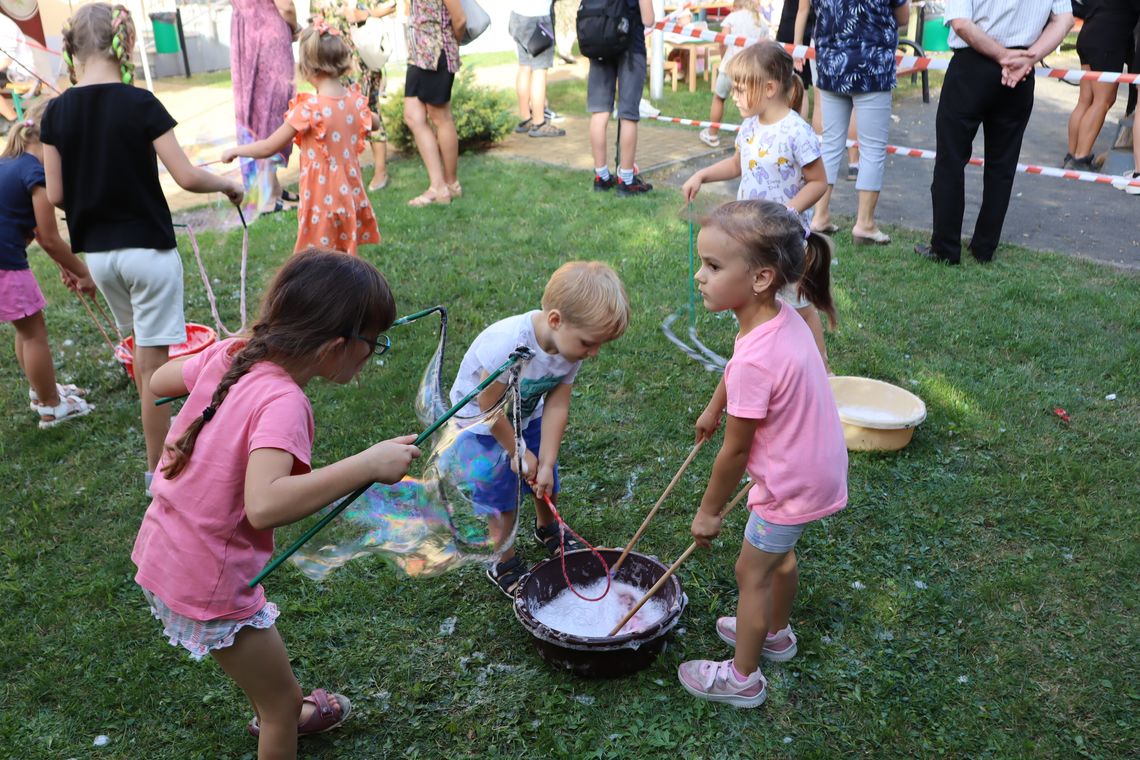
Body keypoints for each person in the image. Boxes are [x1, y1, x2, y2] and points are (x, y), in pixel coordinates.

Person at [133, 250, 419, 759]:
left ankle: (280, 701)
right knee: (280, 709)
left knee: (272, 690)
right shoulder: (285, 402)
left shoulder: (235, 353)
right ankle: (283, 710)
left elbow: (158, 382)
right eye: (374, 344)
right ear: (336, 346)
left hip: (164, 549)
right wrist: (367, 464)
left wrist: (229, 347)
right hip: (208, 576)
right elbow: (264, 505)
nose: (372, 354)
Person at [40, 3, 243, 496]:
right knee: (153, 368)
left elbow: (56, 195)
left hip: (101, 259)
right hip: (149, 255)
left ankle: (162, 453)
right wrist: (228, 186)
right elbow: (187, 175)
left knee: (143, 362)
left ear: (73, 49)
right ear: (124, 43)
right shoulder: (141, 102)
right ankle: (160, 471)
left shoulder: (56, 110)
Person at [676, 199, 846, 708]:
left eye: (713, 266)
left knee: (751, 573)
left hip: (787, 481)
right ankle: (776, 632)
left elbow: (735, 450)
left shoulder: (758, 358)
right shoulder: (780, 316)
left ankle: (742, 677)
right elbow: (740, 363)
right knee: (779, 558)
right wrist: (714, 406)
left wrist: (708, 512)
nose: (699, 276)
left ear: (760, 277)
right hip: (814, 467)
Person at [447, 261, 630, 596]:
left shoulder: (568, 347)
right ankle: (502, 560)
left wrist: (543, 460)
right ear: (556, 320)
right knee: (502, 494)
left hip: (524, 415)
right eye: (589, 343)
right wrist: (517, 450)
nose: (594, 353)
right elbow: (488, 407)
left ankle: (547, 529)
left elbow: (558, 404)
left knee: (547, 480)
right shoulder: (508, 344)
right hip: (480, 425)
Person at [681, 42, 832, 369]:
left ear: (769, 88)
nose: (733, 96)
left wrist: (788, 212)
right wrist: (703, 174)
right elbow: (738, 164)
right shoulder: (749, 127)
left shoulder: (796, 131)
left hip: (784, 238)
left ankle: (822, 367)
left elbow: (819, 181)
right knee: (755, 299)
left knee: (797, 303)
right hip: (750, 236)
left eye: (739, 89)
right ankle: (764, 359)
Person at [916, 0, 1074, 265]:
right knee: (1002, 165)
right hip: (1021, 69)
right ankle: (984, 248)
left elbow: (961, 22)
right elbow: (1064, 19)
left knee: (951, 160)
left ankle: (945, 247)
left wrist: (1007, 57)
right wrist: (1028, 57)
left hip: (973, 65)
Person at [222, 19, 382, 256]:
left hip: (321, 197)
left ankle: (330, 292)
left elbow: (268, 147)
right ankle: (348, 289)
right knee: (343, 255)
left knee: (319, 258)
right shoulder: (354, 103)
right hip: (349, 193)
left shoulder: (309, 110)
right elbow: (375, 123)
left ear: (307, 69)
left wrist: (237, 151)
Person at [0, 98, 97, 428]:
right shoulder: (36, 174)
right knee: (34, 334)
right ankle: (51, 407)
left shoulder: (9, 162)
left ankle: (40, 390)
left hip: (4, 259)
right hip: (6, 264)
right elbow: (51, 238)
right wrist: (85, 273)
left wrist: (67, 267)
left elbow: (37, 234)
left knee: (24, 328)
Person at [798, 0, 909, 245]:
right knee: (872, 148)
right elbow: (903, 17)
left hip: (831, 63)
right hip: (872, 67)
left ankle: (820, 216)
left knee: (830, 144)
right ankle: (865, 223)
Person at [321, 0, 398, 191]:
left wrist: (366, 14)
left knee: (368, 111)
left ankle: (380, 171)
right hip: (331, 62)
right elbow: (317, 21)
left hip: (361, 59)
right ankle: (344, 173)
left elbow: (391, 5)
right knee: (334, 116)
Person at [231, 0, 300, 212]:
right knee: (273, 108)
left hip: (245, 35)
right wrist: (296, 27)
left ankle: (273, 188)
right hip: (268, 33)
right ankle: (267, 197)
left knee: (255, 109)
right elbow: (285, 6)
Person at [587, 0, 656, 195]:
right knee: (628, 114)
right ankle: (626, 181)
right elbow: (648, 19)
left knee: (599, 112)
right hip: (630, 49)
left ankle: (601, 176)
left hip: (599, 44)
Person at [1064, 0, 1140, 170]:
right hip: (1108, 39)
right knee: (1103, 101)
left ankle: (1071, 155)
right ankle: (1080, 157)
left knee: (1085, 100)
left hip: (1088, 34)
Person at [404, 0, 466, 206]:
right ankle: (440, 185)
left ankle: (449, 184)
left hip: (436, 51)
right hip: (418, 54)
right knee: (413, 116)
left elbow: (460, 19)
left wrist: (448, 43)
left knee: (440, 116)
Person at [698, 0, 767, 149]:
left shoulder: (732, 17)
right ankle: (750, 138)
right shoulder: (761, 21)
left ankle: (712, 133)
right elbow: (765, 47)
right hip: (750, 69)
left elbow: (722, 40)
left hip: (729, 66)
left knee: (719, 98)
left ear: (736, 5)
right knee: (749, 104)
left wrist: (723, 57)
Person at [510, 0, 566, 138]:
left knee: (524, 66)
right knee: (539, 70)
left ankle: (525, 118)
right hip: (537, 17)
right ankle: (539, 122)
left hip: (517, 15)